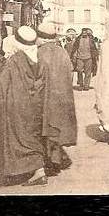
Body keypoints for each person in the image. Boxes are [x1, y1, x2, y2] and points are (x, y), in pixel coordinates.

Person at [0, 26, 47, 187]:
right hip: (36, 105)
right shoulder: (39, 57)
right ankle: (36, 170)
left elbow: (3, 84)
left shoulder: (15, 60)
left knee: (18, 138)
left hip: (17, 106)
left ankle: (35, 171)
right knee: (32, 136)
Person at [36, 21, 77, 176]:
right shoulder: (62, 52)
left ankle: (51, 163)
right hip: (62, 97)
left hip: (46, 98)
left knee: (45, 129)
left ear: (42, 38)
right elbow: (70, 71)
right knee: (57, 129)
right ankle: (57, 159)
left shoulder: (39, 53)